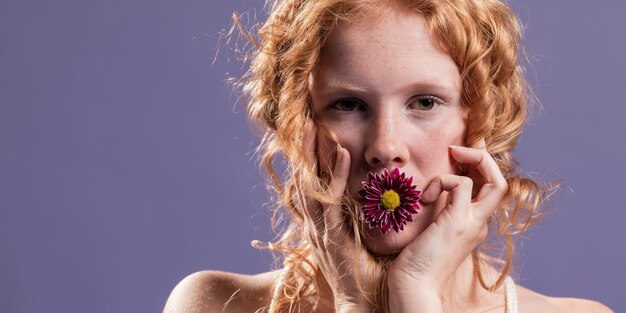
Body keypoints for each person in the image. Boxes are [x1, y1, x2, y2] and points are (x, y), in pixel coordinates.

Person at [164, 0, 613, 312]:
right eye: (347, 105)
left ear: (479, 120)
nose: (384, 148)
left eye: (424, 103)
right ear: (298, 126)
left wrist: (415, 294)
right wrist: (353, 304)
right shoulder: (213, 305)